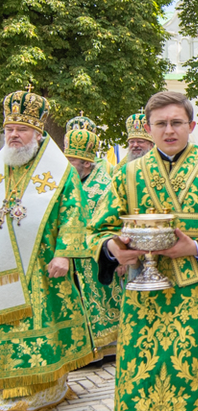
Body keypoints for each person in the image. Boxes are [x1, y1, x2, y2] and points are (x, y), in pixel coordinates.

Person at [87, 91, 198, 411]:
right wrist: (112, 248)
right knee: (145, 381)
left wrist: (197, 247)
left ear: (191, 126)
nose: (169, 130)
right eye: (161, 123)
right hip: (144, 297)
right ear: (149, 127)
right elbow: (97, 228)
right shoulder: (127, 174)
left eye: (177, 122)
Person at [0, 87, 94, 410]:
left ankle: (47, 385)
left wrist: (64, 253)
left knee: (41, 324)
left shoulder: (58, 171)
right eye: (9, 129)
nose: (13, 135)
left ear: (37, 133)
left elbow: (74, 213)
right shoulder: (2, 164)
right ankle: (8, 385)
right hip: (3, 266)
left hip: (40, 267)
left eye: (21, 129)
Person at [63, 117, 123, 363]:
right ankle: (85, 351)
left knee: (103, 303)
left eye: (72, 162)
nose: (68, 167)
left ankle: (106, 349)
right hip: (72, 257)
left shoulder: (106, 184)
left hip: (97, 255)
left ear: (86, 163)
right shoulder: (66, 183)